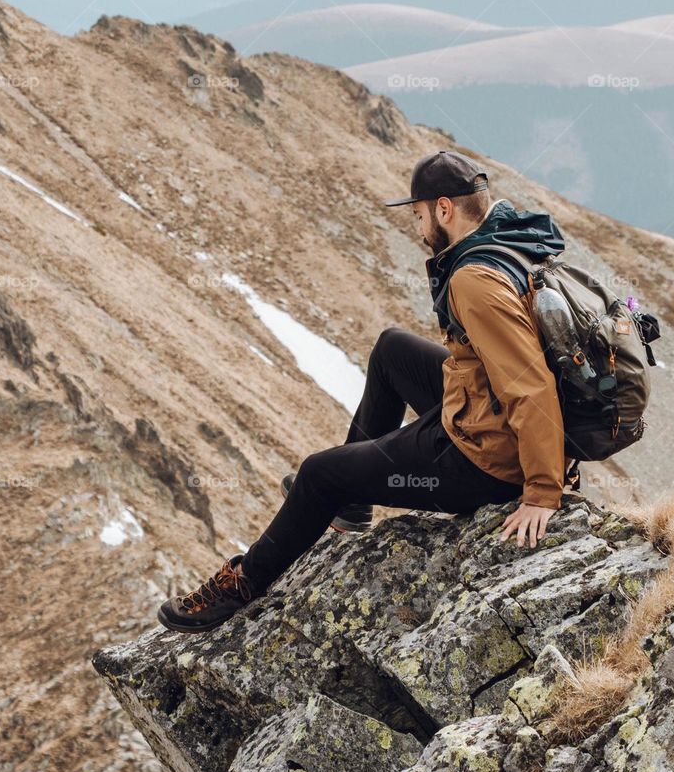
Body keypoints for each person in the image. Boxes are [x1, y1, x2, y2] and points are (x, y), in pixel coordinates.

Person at [158, 150, 567, 634]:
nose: (418, 231)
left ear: (443, 209)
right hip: (482, 407)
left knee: (319, 473)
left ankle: (243, 583)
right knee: (393, 348)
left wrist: (542, 491)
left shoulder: (474, 279)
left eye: (418, 216)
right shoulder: (511, 241)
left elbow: (529, 382)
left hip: (488, 462)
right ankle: (351, 507)